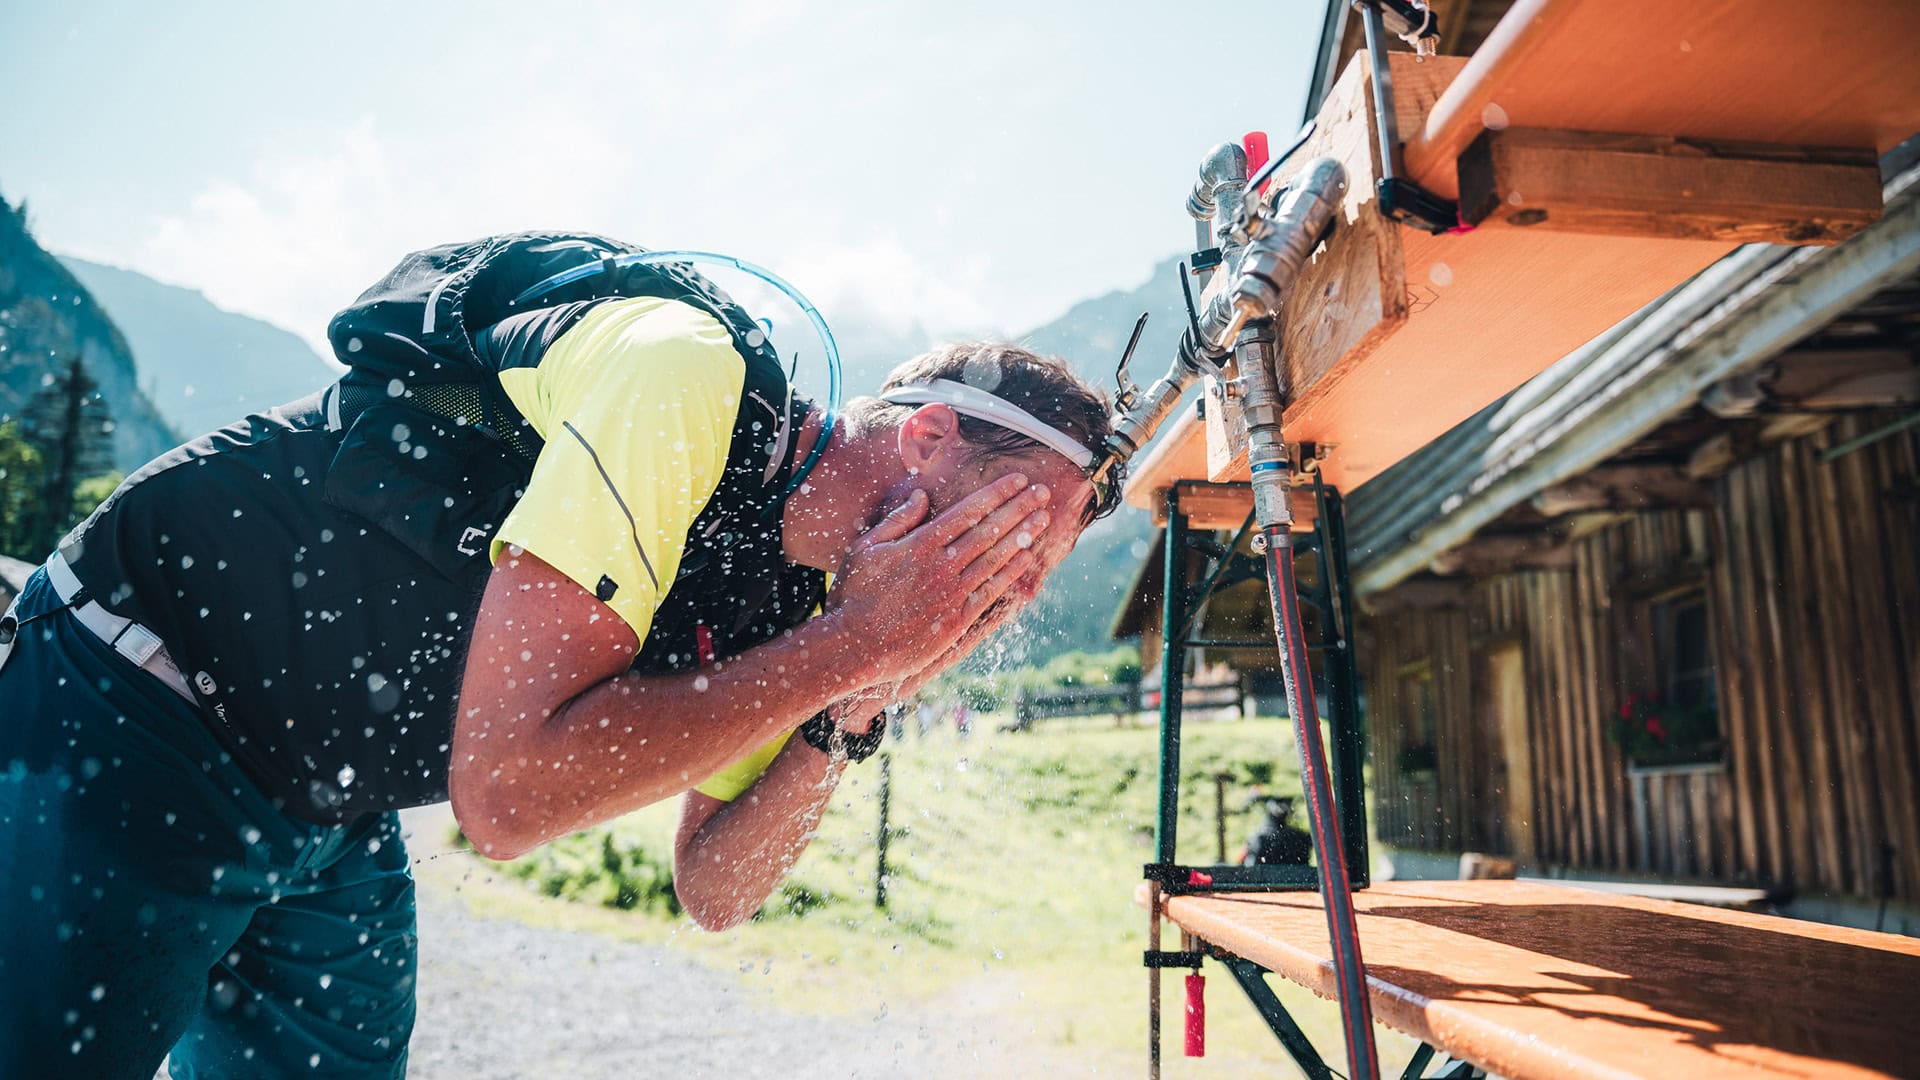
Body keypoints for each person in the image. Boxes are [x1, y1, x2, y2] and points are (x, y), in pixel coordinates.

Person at [0, 233, 1119, 1078]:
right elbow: (506, 798)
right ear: (925, 439)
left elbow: (716, 887)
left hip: (323, 807)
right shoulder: (683, 378)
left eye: (1042, 567)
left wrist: (859, 691)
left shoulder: (807, 609)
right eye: (1015, 529)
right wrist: (857, 642)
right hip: (135, 687)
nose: (1017, 588)